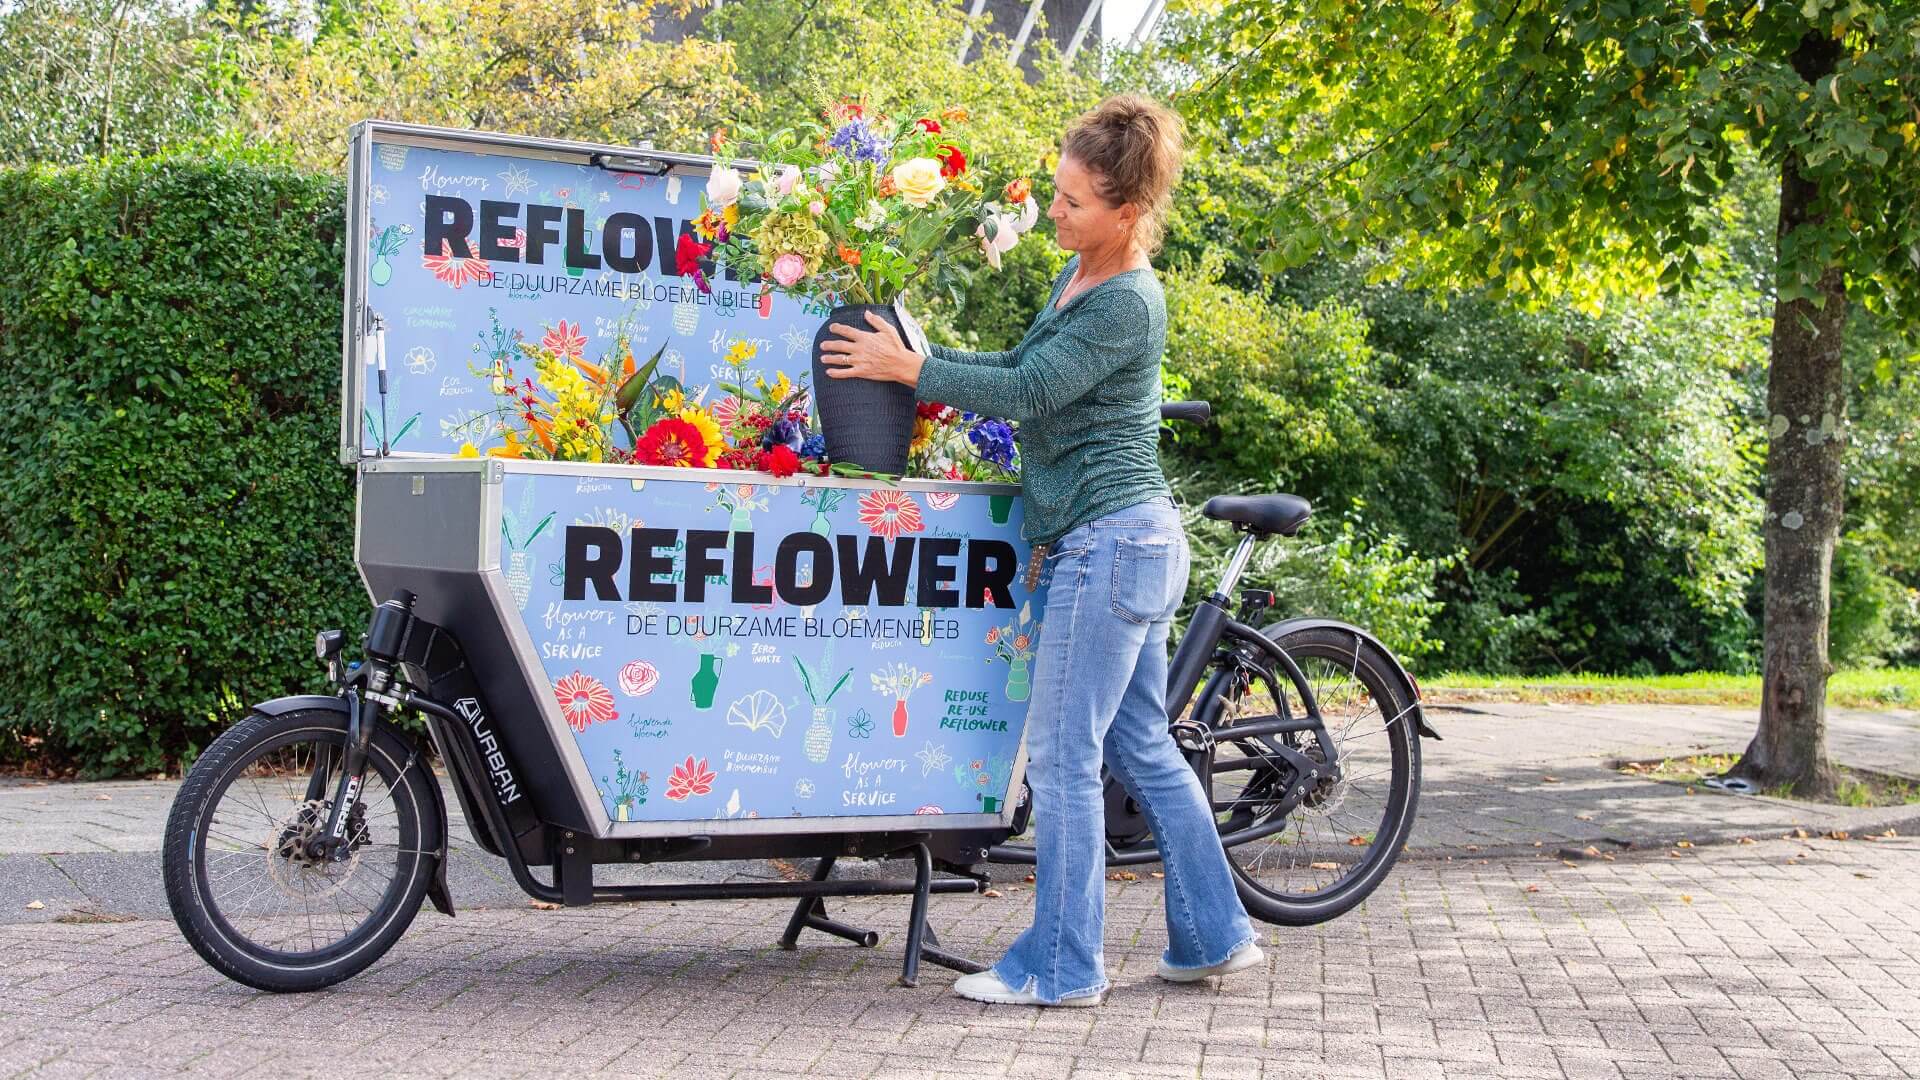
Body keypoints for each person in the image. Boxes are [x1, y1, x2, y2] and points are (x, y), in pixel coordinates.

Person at [816, 93, 1263, 1007]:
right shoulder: (1078, 277)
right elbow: (1023, 376)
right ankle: (1216, 935)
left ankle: (1062, 968)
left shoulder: (1128, 301)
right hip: (1111, 542)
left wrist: (913, 369)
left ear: (1127, 211)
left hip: (1113, 544)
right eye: (1056, 193)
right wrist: (926, 352)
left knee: (1064, 759)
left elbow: (1032, 390)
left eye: (1071, 203)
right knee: (1140, 742)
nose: (1053, 213)